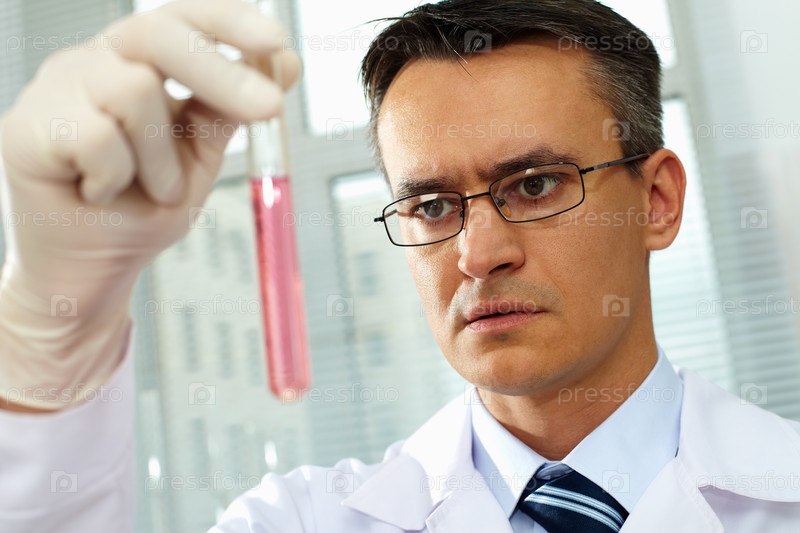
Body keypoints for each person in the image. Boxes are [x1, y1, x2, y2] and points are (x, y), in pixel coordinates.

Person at [0, 0, 798, 531]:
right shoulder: (300, 521)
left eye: (534, 185)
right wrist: (53, 325)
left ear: (656, 201)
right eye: (432, 205)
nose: (478, 254)